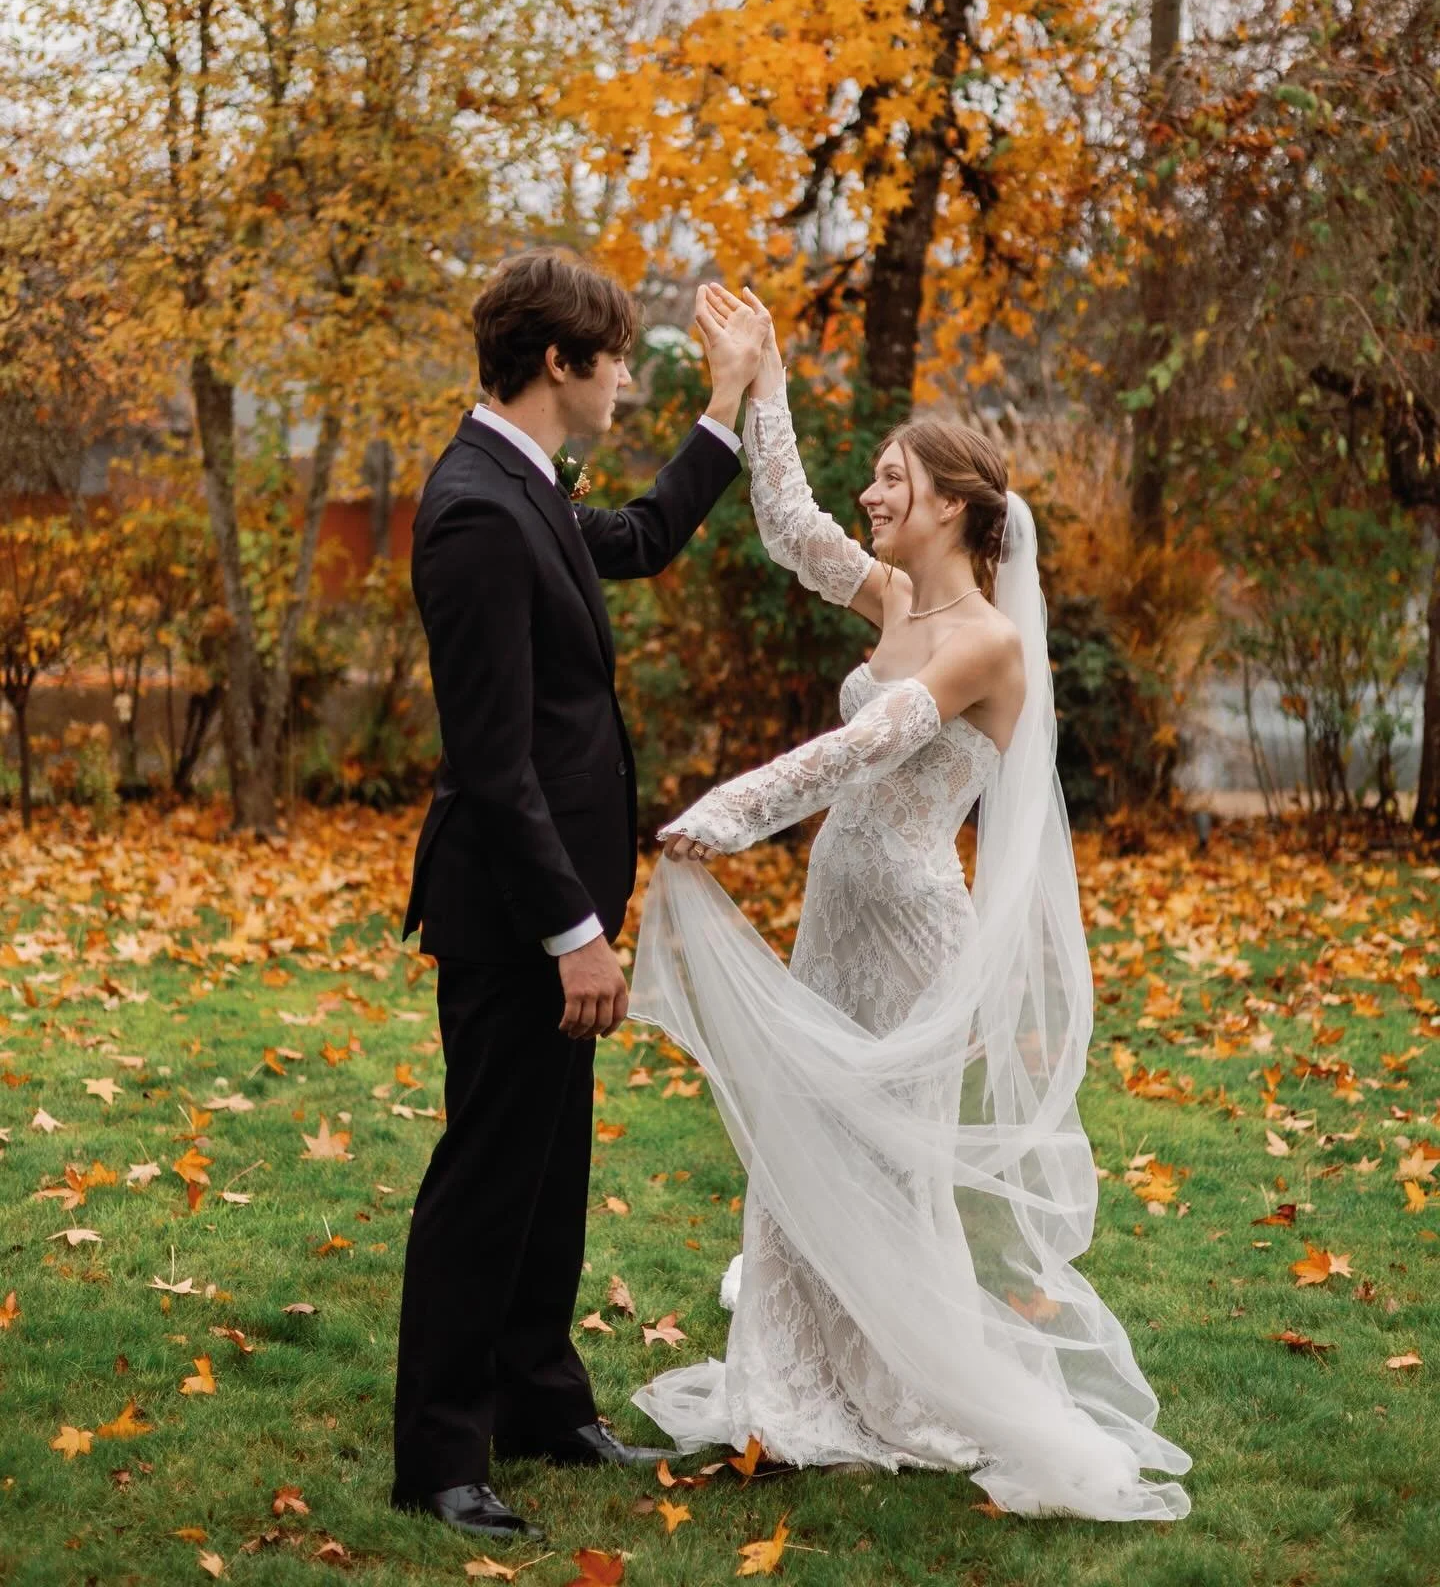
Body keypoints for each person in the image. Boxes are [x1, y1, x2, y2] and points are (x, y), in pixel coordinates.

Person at [628, 287, 1192, 1521]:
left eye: (890, 480)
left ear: (950, 503)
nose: (873, 498)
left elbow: (871, 742)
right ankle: (783, 1379)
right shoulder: (895, 599)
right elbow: (788, 526)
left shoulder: (986, 641)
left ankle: (897, 1388)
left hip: (914, 930)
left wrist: (724, 814)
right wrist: (761, 379)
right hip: (836, 910)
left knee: (885, 1169)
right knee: (796, 1143)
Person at [391, 250, 767, 1542]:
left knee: (549, 1173)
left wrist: (732, 408)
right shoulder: (479, 510)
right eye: (616, 363)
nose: (624, 385)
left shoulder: (525, 483)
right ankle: (439, 1454)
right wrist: (574, 936)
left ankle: (540, 1403)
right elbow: (494, 768)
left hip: (559, 914)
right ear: (561, 363)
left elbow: (647, 540)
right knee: (487, 1178)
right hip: (515, 919)